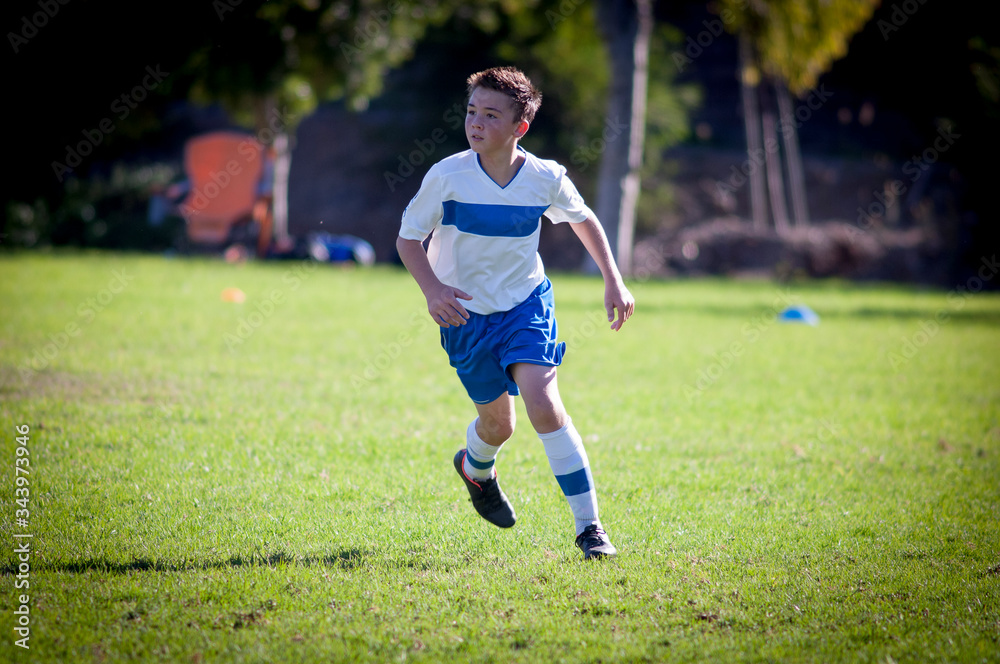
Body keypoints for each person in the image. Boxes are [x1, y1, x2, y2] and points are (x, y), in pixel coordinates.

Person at [395, 66, 635, 560]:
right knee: (498, 427)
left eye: (490, 115)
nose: (475, 122)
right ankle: (475, 470)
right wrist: (433, 290)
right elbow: (407, 239)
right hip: (465, 317)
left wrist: (613, 279)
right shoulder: (447, 175)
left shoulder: (545, 178)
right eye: (471, 111)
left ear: (519, 127)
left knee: (543, 405)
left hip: (526, 305)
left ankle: (590, 529)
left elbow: (583, 219)